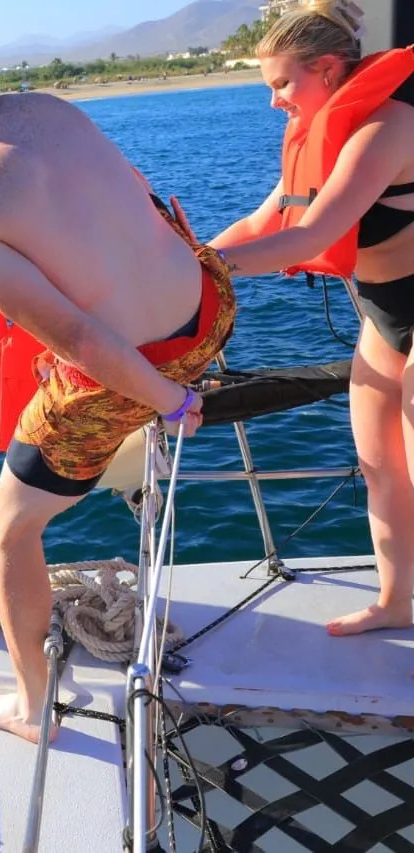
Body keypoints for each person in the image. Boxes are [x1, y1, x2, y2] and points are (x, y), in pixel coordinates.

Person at [0, 35, 236, 742]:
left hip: (154, 363)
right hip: (212, 307)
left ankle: (32, 706)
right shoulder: (48, 108)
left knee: (8, 521)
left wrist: (172, 401)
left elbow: (83, 342)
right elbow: (131, 204)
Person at [208, 1, 414, 637]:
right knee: (381, 466)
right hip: (383, 319)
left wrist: (205, 275)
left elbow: (311, 236)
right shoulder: (317, 137)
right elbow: (261, 224)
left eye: (281, 84)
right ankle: (397, 602)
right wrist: (182, 261)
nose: (274, 102)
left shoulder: (387, 127)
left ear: (327, 69)